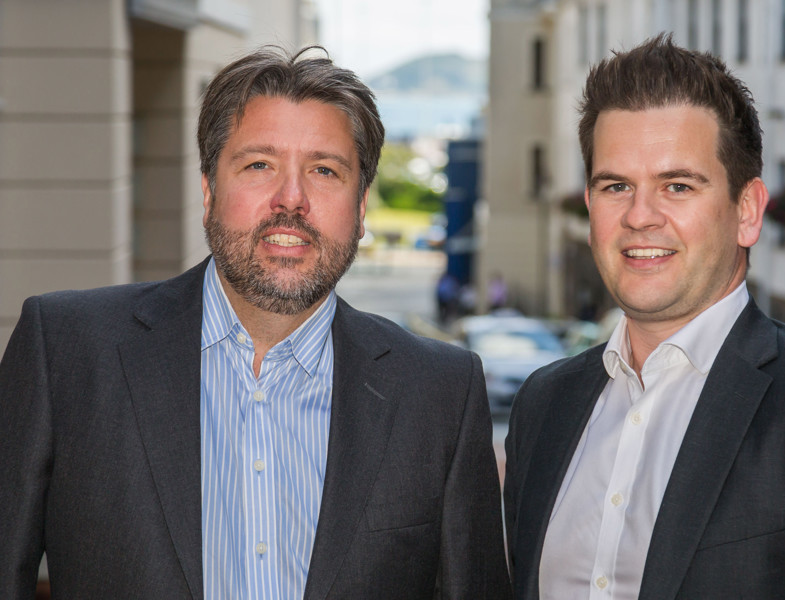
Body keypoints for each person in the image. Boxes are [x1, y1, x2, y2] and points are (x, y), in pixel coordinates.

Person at [0, 46, 511, 600]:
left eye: (324, 170)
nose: (291, 199)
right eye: (259, 165)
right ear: (208, 192)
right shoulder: (65, 351)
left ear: (361, 207)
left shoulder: (440, 394)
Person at [503, 33, 785, 600]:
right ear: (590, 209)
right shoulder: (544, 405)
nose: (641, 216)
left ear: (747, 212)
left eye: (678, 186)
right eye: (616, 186)